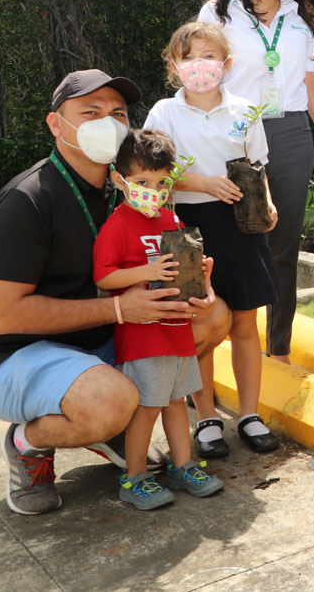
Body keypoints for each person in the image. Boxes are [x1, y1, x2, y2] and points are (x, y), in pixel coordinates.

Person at [0, 70, 229, 516]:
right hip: (15, 354)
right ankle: (28, 443)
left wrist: (197, 288)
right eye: (90, 112)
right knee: (108, 402)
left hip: (99, 340)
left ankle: (118, 423)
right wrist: (118, 308)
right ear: (56, 124)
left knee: (213, 317)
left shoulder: (130, 191)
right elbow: (2, 316)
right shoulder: (28, 200)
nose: (108, 123)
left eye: (118, 113)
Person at [199, 0, 314, 363]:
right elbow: (203, 75)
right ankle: (220, 338)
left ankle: (278, 349)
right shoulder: (218, 14)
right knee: (230, 239)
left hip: (290, 131)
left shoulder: (299, 16)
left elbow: (311, 82)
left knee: (284, 246)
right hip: (236, 131)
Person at [145, 22, 281, 459]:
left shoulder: (245, 109)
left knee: (244, 322)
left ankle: (249, 414)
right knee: (199, 322)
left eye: (208, 55)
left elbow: (257, 166)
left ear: (226, 63)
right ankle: (206, 416)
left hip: (240, 225)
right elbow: (153, 173)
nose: (198, 65)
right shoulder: (164, 113)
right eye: (188, 57)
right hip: (186, 228)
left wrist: (267, 203)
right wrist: (204, 183)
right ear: (173, 66)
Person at [92, 129, 225, 509]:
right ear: (119, 180)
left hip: (177, 331)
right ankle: (134, 477)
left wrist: (202, 277)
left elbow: (182, 272)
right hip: (142, 337)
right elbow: (103, 277)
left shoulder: (170, 218)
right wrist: (146, 271)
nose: (153, 191)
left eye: (162, 183)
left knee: (176, 402)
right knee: (147, 408)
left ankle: (183, 465)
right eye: (141, 183)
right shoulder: (117, 225)